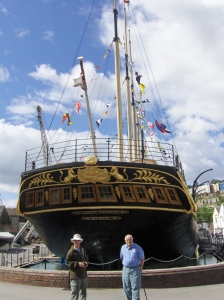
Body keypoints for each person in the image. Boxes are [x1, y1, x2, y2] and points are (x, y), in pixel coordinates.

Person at [120, 234, 145, 300]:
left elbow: (142, 258)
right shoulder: (123, 248)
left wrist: (141, 267)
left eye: (130, 239)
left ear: (132, 240)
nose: (128, 241)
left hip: (135, 269)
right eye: (127, 240)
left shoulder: (137, 248)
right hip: (126, 269)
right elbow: (122, 257)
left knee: (135, 287)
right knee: (126, 287)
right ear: (125, 241)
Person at [66, 234, 88, 300]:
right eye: (75, 240)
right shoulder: (70, 252)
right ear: (73, 241)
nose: (77, 242)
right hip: (75, 276)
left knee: (83, 293)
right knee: (75, 294)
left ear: (80, 241)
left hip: (83, 275)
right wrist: (78, 264)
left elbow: (86, 258)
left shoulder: (83, 250)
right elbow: (68, 263)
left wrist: (86, 263)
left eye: (78, 241)